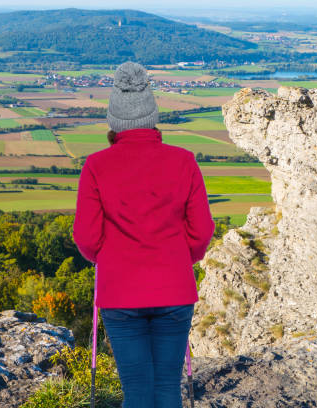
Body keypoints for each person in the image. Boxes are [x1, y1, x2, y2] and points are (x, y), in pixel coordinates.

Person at [72, 61, 215, 408]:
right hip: (175, 290)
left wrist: (108, 258)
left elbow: (87, 238)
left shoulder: (96, 166)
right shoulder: (184, 162)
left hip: (119, 293)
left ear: (114, 120)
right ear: (152, 115)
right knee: (167, 388)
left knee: (136, 392)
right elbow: (202, 230)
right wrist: (180, 259)